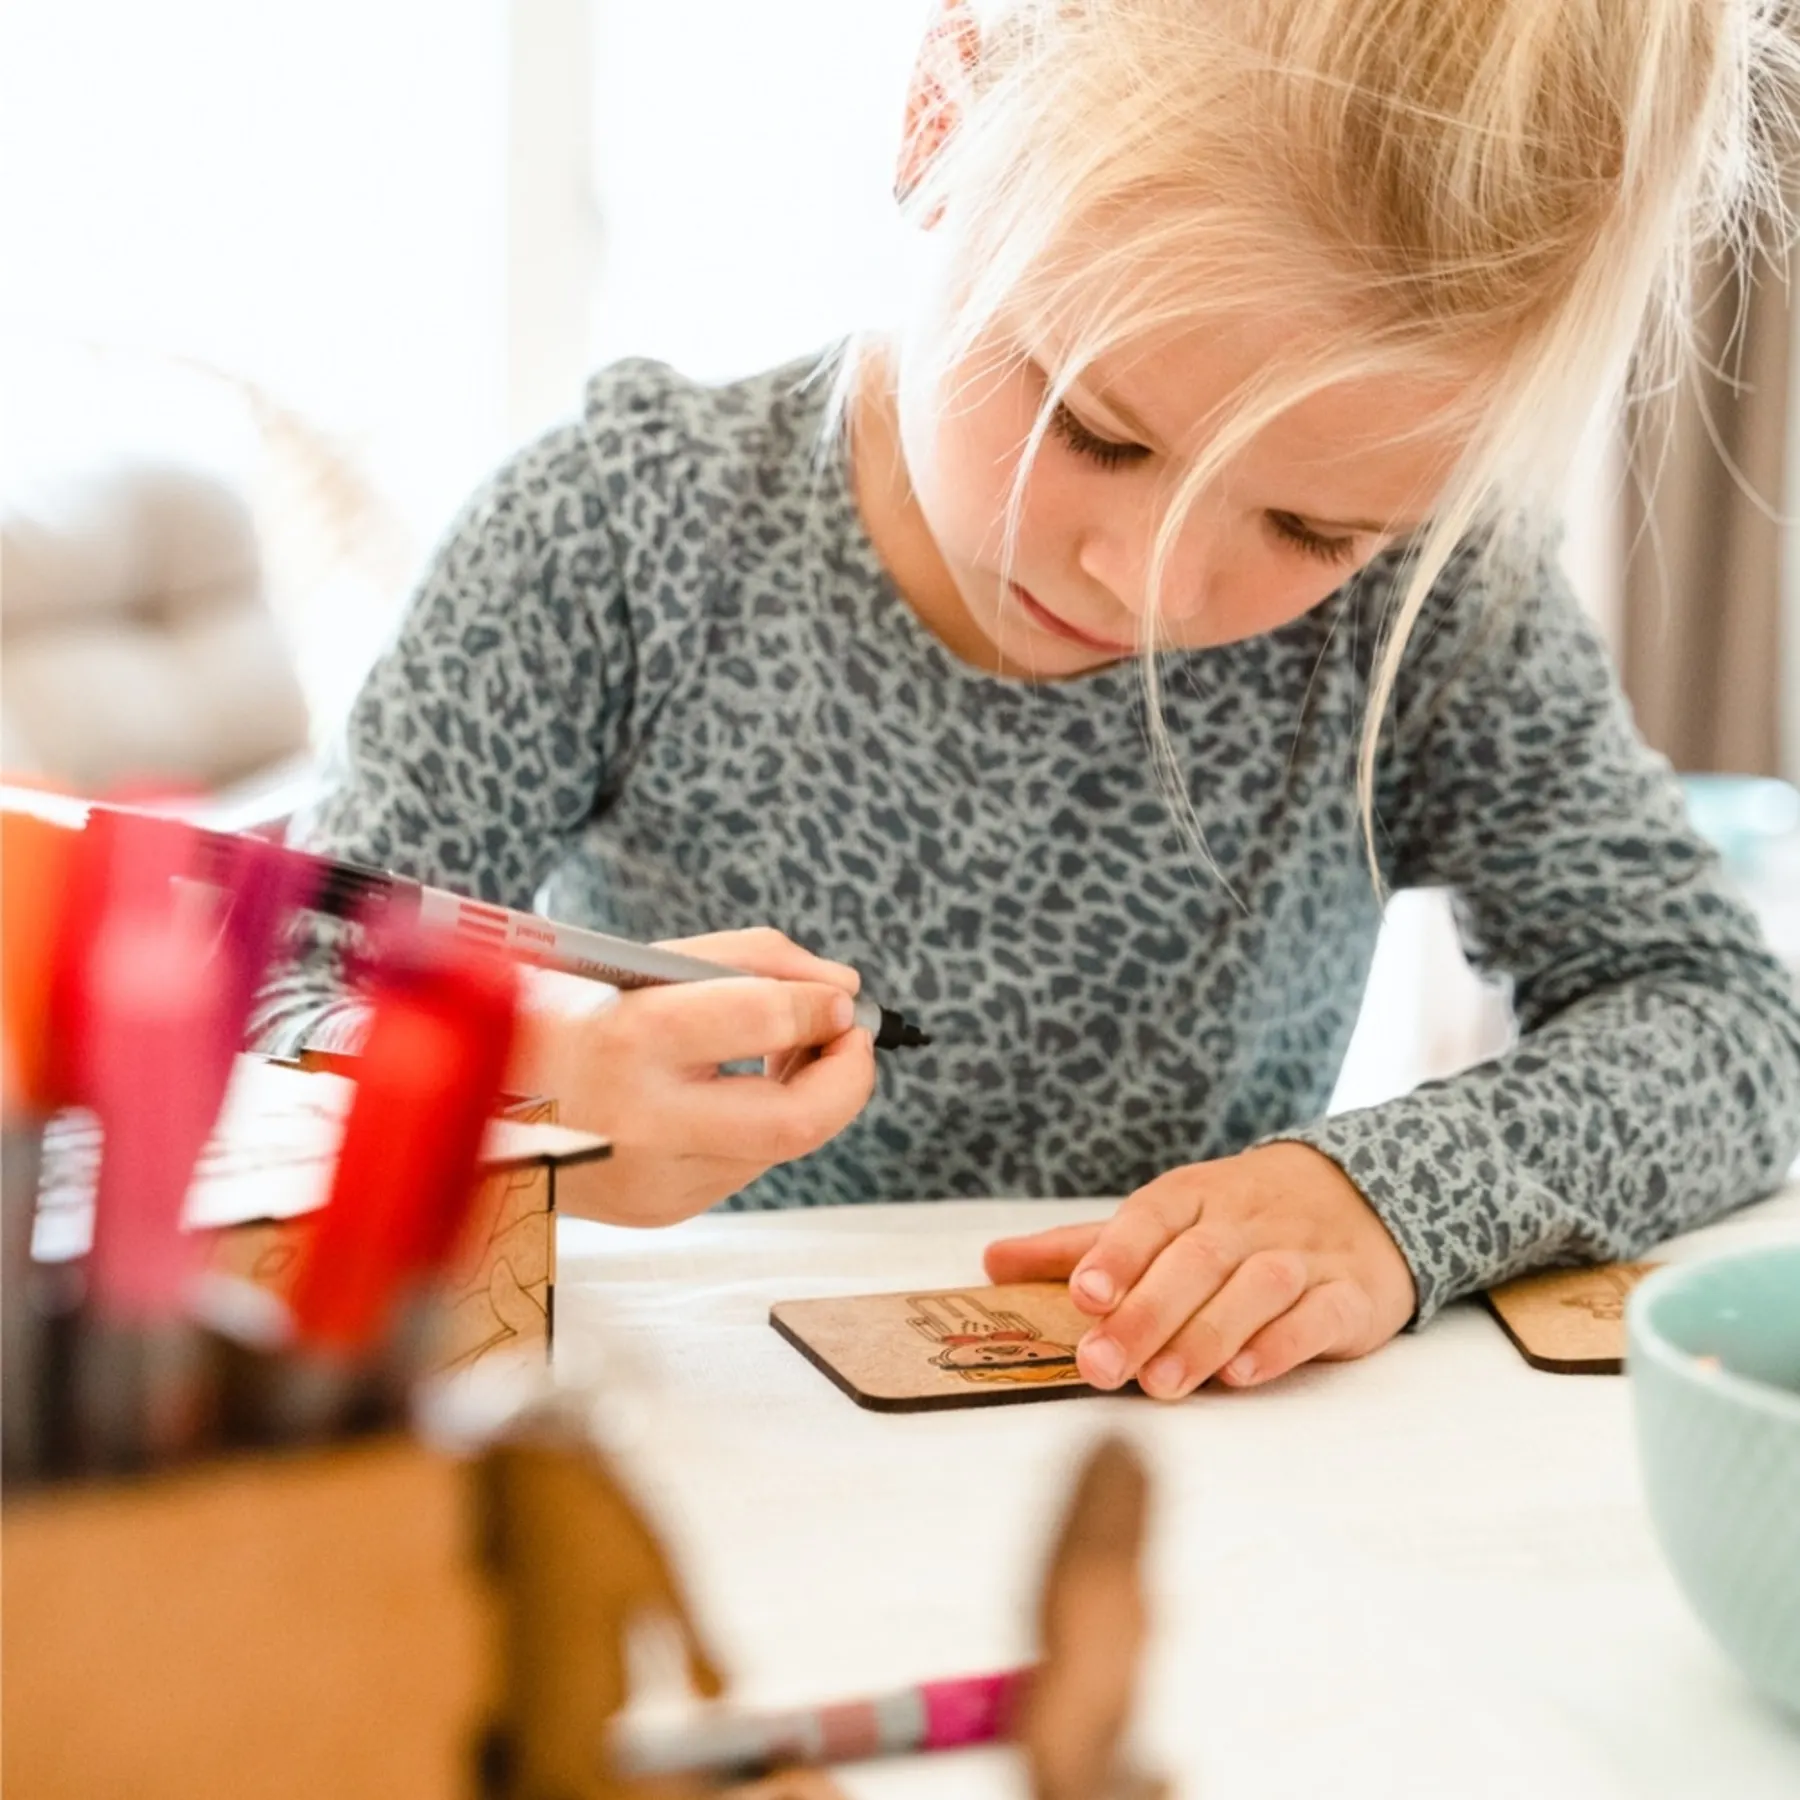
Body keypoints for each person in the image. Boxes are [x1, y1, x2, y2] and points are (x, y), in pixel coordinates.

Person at [256, 0, 1800, 1399]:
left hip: (1193, 1475)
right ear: (943, 112)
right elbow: (274, 997)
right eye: (1096, 430)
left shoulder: (1437, 600)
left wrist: (1383, 1200)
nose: (1150, 584)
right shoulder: (617, 534)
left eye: (1312, 529)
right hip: (693, 1453)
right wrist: (544, 1094)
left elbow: (1727, 1027)